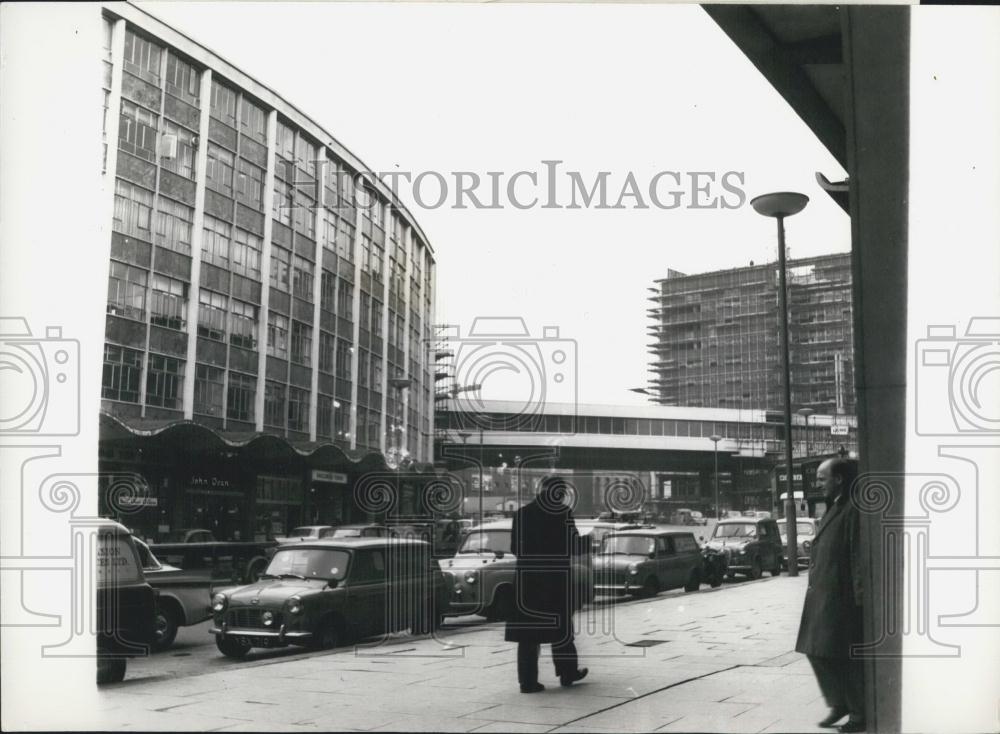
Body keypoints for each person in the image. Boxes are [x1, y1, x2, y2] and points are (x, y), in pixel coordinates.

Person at [795, 458, 866, 733]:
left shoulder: (854, 509)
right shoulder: (836, 505)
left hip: (841, 598)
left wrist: (859, 599)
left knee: (842, 656)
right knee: (815, 650)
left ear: (839, 479)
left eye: (822, 478)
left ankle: (859, 714)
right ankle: (839, 702)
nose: (818, 483)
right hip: (823, 595)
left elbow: (856, 555)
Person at [505, 476, 589, 693]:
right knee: (561, 630)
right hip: (554, 580)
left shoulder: (522, 514)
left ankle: (527, 682)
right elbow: (574, 547)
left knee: (528, 635)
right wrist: (589, 541)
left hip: (528, 582)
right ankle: (567, 673)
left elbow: (515, 548)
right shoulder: (562, 514)